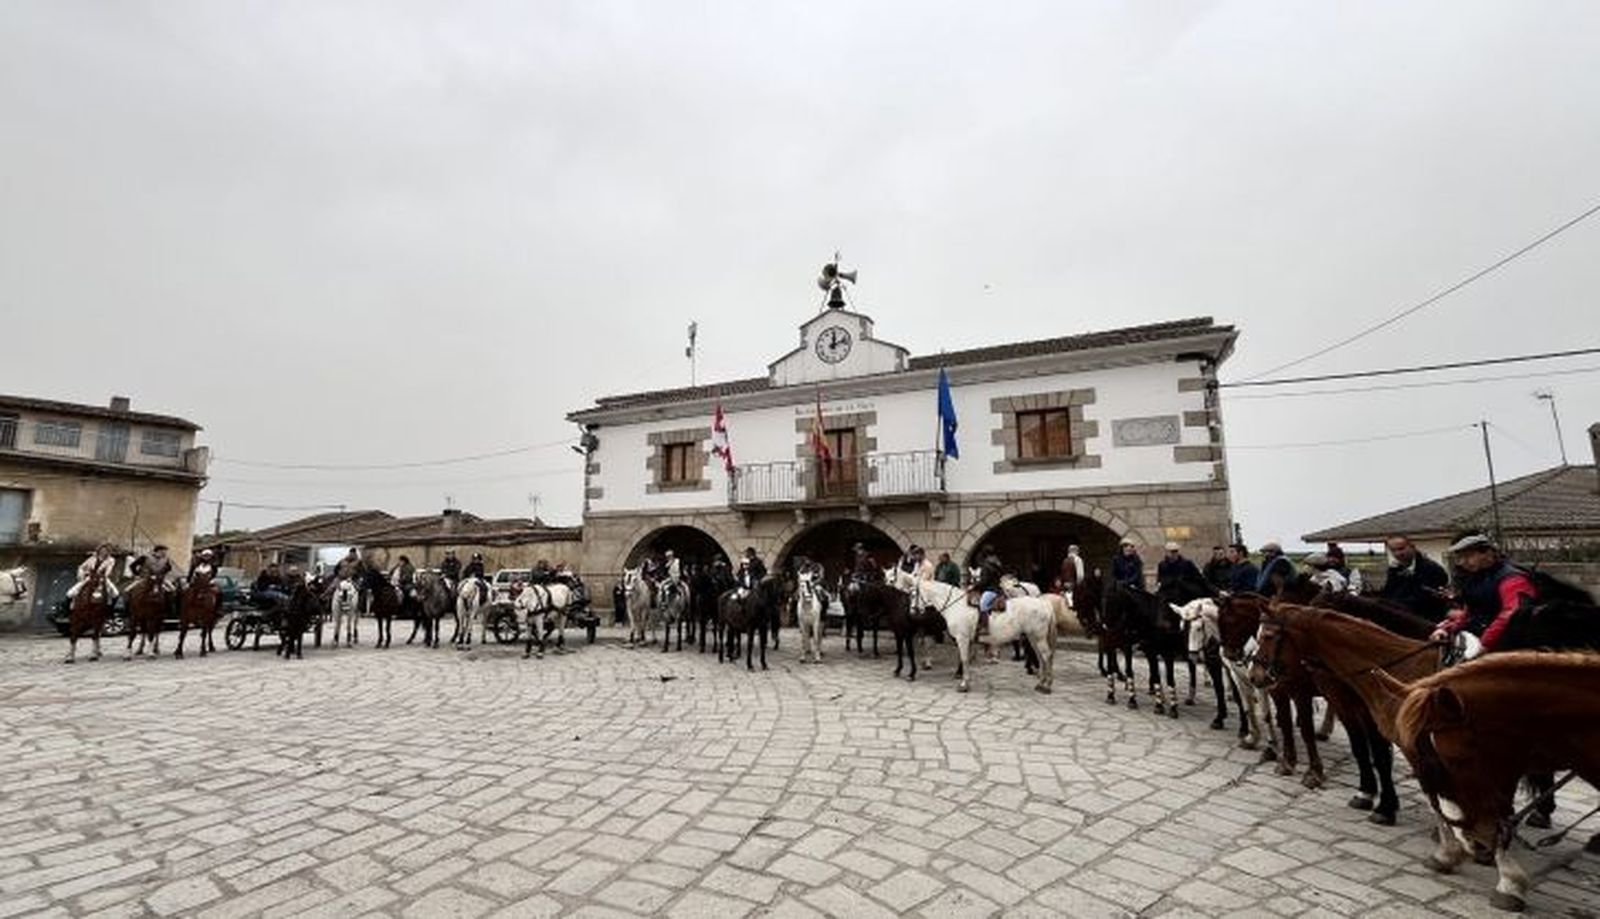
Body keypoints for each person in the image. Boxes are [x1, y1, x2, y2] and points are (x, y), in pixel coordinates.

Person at [1429, 533, 1537, 654]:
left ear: (1488, 553)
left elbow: (1511, 615)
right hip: (1479, 636)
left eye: (1468, 556)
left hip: (1507, 645)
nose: (1462, 562)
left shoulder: (1512, 579)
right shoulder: (1475, 577)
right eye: (1460, 558)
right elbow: (1471, 612)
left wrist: (1485, 643)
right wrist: (1447, 629)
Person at [1378, 535, 1450, 618]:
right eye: (1393, 550)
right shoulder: (1394, 569)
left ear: (1412, 547)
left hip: (1426, 619)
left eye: (1401, 549)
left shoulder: (1431, 569)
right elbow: (1388, 593)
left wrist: (1393, 606)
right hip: (1399, 616)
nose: (1397, 553)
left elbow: (1425, 599)